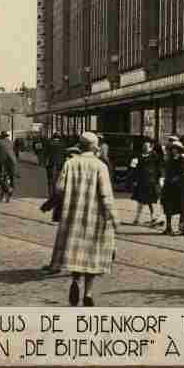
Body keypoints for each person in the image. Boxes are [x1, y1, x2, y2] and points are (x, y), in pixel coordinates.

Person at [48, 131, 119, 307]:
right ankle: (88, 293)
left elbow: (59, 189)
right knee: (91, 257)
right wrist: (114, 217)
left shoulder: (69, 164)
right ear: (94, 147)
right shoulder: (100, 166)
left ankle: (75, 281)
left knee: (76, 253)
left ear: (79, 146)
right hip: (95, 218)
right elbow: (106, 196)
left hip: (73, 216)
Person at [129, 138, 162, 226]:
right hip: (141, 182)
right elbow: (135, 169)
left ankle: (153, 218)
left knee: (151, 201)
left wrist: (160, 179)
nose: (144, 147)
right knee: (140, 201)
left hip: (151, 182)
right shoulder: (139, 156)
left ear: (150, 147)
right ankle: (137, 219)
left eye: (146, 146)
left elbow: (159, 168)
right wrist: (134, 180)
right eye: (143, 146)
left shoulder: (154, 155)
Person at [160, 138, 184, 234]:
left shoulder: (182, 159)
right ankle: (168, 227)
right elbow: (166, 171)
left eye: (175, 148)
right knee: (167, 207)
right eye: (172, 148)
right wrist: (164, 179)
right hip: (168, 187)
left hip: (178, 187)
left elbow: (183, 172)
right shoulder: (169, 159)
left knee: (180, 208)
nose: (173, 150)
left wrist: (176, 178)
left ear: (179, 149)